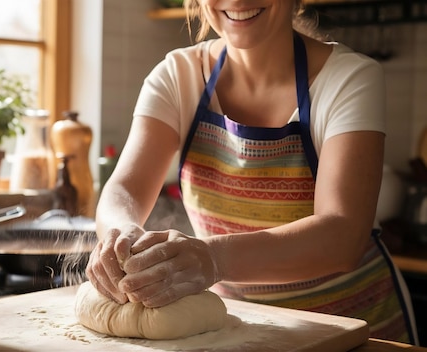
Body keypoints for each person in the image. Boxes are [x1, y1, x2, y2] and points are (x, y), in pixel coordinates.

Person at [85, 0, 419, 344]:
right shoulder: (177, 76)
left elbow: (343, 235)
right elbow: (123, 190)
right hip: (238, 331)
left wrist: (212, 257)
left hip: (349, 328)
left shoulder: (348, 78)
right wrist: (119, 235)